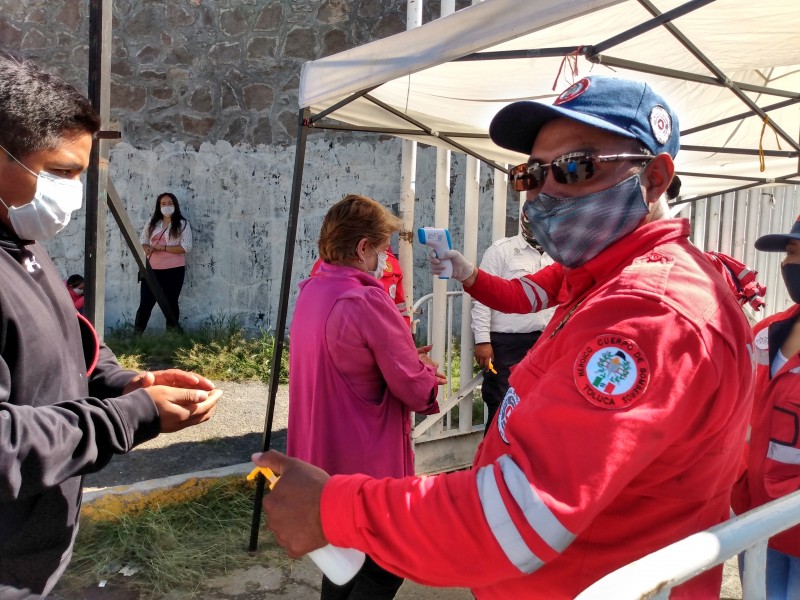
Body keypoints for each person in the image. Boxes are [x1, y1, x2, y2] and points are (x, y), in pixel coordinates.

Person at [253, 74, 756, 599]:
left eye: (575, 166)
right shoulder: (599, 272)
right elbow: (524, 295)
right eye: (531, 173)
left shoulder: (649, 311)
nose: (544, 192)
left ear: (654, 177)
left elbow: (519, 513)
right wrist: (467, 274)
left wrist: (336, 509)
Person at [0, 49, 222, 598]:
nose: (71, 192)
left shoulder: (22, 245)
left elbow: (68, 341)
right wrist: (129, 417)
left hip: (32, 557)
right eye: (58, 172)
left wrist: (124, 382)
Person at [288, 194, 444, 600]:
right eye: (382, 248)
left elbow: (349, 360)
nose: (384, 258)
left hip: (323, 455)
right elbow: (413, 386)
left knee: (343, 562)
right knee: (388, 562)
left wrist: (402, 357)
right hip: (366, 460)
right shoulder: (367, 297)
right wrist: (422, 370)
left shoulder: (312, 290)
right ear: (362, 248)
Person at [731, 215, 800, 599]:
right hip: (755, 516)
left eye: (799, 253)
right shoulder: (765, 333)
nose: (790, 264)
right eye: (790, 253)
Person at [472, 220, 554, 431]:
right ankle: (491, 459)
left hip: (546, 342)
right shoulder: (501, 251)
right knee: (503, 405)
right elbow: (482, 297)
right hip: (506, 344)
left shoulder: (560, 254)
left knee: (541, 408)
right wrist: (482, 340)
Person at [134, 192, 192, 334]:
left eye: (170, 203)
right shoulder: (153, 221)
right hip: (152, 270)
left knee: (171, 303)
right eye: (163, 204)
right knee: (145, 304)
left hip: (174, 270)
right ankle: (136, 336)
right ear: (159, 206)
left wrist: (164, 248)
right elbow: (142, 240)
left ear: (175, 205)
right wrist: (146, 247)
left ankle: (171, 337)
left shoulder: (182, 224)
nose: (167, 206)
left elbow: (186, 247)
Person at [311, 246, 410, 327]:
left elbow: (400, 310)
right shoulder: (330, 264)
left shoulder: (392, 264)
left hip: (384, 339)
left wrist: (406, 344)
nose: (386, 248)